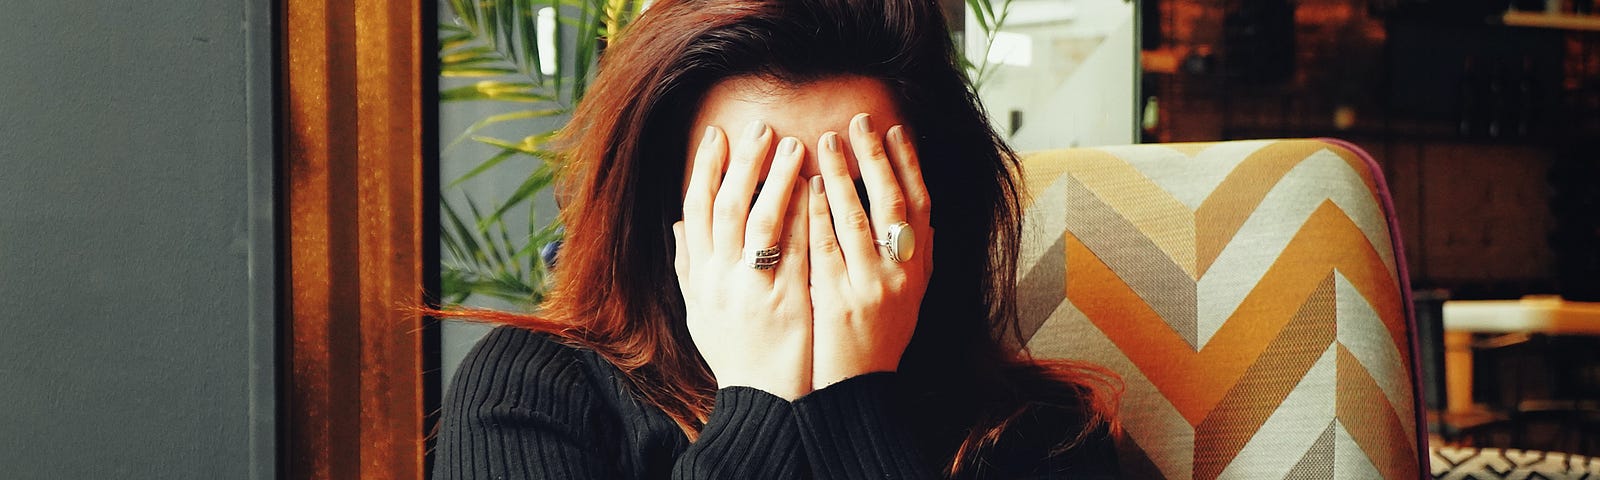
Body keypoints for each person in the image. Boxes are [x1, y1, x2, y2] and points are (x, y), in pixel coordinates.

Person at [431, 0, 1121, 478]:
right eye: (752, 197)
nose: (811, 237)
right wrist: (758, 397)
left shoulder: (1039, 434)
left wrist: (853, 400)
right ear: (664, 210)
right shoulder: (528, 388)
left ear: (929, 207)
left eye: (855, 194)